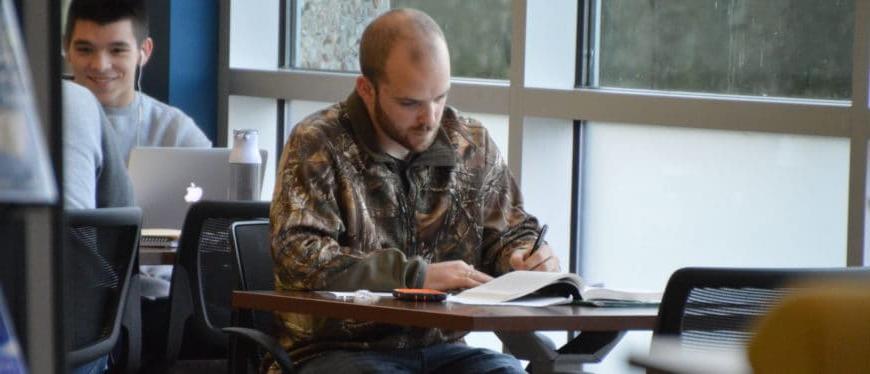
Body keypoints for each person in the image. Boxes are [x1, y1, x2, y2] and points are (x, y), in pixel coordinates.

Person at [269, 8, 559, 374]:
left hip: (444, 347)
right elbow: (300, 258)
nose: (430, 118)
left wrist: (521, 257)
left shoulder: (470, 143)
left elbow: (509, 230)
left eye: (440, 97)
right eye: (410, 103)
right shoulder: (319, 143)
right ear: (367, 89)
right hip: (336, 350)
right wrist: (414, 276)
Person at [63, 0, 210, 163]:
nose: (100, 66)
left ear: (144, 52)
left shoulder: (175, 133)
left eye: (117, 50)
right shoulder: (39, 121)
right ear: (66, 49)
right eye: (85, 50)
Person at [63, 79, 134, 210]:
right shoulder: (75, 99)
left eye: (116, 56)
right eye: (85, 56)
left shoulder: (73, 99)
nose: (100, 65)